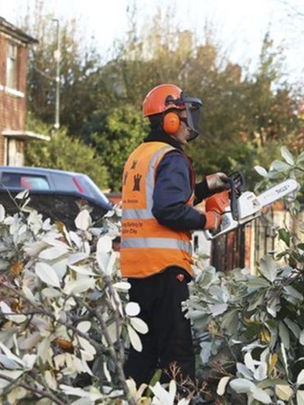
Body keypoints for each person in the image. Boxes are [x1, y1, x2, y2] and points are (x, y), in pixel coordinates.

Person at [120, 83, 228, 385]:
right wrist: (209, 219)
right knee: (177, 357)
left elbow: (164, 199)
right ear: (169, 119)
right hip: (166, 270)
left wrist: (207, 187)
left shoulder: (141, 155)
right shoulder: (172, 157)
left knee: (142, 354)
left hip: (138, 271)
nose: (189, 122)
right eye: (183, 115)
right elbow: (167, 210)